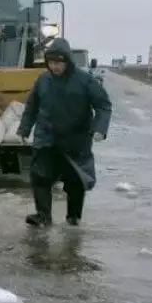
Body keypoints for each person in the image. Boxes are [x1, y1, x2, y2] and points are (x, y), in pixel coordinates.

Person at [15, 37, 112, 226]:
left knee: (75, 181)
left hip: (74, 140)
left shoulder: (85, 81)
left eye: (59, 62)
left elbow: (103, 105)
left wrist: (99, 129)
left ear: (67, 61)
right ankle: (43, 216)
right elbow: (32, 107)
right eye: (51, 62)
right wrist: (24, 130)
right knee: (40, 177)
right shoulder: (43, 80)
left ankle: (73, 217)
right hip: (47, 138)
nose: (55, 66)